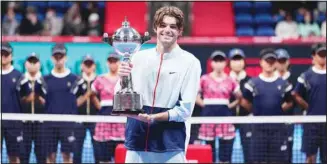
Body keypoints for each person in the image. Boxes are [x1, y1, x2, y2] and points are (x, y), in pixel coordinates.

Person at [116, 6, 201, 163]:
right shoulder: (137, 57)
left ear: (180, 31)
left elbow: (185, 109)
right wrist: (122, 78)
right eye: (162, 25)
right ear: (155, 28)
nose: (167, 30)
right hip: (137, 139)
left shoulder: (191, 62)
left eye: (173, 26)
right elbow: (120, 95)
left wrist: (153, 117)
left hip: (170, 143)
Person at [240, 48, 293, 163]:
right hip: (258, 130)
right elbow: (244, 101)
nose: (269, 63)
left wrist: (278, 110)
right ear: (261, 62)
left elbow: (290, 102)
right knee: (258, 160)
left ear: (276, 63)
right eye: (267, 61)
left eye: (272, 61)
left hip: (278, 129)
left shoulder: (284, 84)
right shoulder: (252, 84)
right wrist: (257, 111)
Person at [40, 43, 85, 163]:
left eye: (61, 56)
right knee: (50, 157)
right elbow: (42, 99)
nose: (59, 59)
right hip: (49, 124)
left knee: (67, 156)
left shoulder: (75, 79)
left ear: (66, 58)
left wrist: (70, 109)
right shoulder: (44, 80)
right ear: (52, 58)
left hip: (68, 124)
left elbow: (81, 98)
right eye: (56, 56)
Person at [196, 50, 240, 163]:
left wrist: (229, 106)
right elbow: (195, 96)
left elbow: (239, 97)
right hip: (208, 115)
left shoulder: (231, 80)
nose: (219, 63)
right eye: (216, 61)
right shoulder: (204, 79)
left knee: (225, 146)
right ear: (212, 63)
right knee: (209, 147)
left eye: (221, 61)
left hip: (225, 116)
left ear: (225, 63)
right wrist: (204, 104)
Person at [292, 43, 326, 164]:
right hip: (311, 124)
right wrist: (308, 107)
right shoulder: (306, 76)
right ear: (313, 56)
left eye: (325, 54)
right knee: (310, 158)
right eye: (320, 54)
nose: (323, 57)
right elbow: (295, 94)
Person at [1, 42, 32, 163]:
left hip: (13, 123)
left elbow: (27, 96)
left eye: (6, 54)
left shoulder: (19, 76)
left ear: (11, 56)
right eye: (1, 54)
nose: (3, 56)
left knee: (13, 157)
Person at [91, 53, 124, 163]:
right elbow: (92, 94)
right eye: (110, 61)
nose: (113, 63)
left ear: (119, 62)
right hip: (104, 119)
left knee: (121, 157)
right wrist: (99, 106)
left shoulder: (125, 79)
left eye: (115, 61)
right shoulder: (100, 79)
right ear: (107, 63)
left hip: (120, 121)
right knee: (104, 158)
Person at [73, 55, 100, 164]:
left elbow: (100, 106)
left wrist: (91, 97)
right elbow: (75, 103)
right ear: (82, 66)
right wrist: (88, 94)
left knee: (97, 149)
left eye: (90, 64)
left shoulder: (99, 81)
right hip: (80, 120)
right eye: (86, 64)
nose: (88, 66)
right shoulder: (77, 81)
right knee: (77, 149)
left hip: (95, 120)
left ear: (94, 66)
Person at [20, 53, 46, 164]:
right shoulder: (20, 80)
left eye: (35, 62)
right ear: (25, 64)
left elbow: (48, 102)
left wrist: (38, 98)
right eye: (30, 62)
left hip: (40, 124)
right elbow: (17, 101)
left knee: (41, 155)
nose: (32, 64)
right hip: (24, 124)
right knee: (23, 155)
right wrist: (27, 99)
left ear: (39, 64)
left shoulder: (45, 81)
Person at [228, 48, 252, 163]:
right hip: (228, 120)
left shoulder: (251, 81)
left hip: (246, 120)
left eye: (239, 59)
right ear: (230, 62)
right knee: (226, 152)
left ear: (244, 62)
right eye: (234, 59)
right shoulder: (224, 80)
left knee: (248, 151)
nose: (237, 62)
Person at [274, 48, 297, 163]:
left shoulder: (295, 79)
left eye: (283, 60)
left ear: (288, 62)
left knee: (288, 149)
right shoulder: (271, 79)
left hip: (288, 120)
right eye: (278, 60)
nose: (281, 63)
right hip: (272, 120)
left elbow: (295, 99)